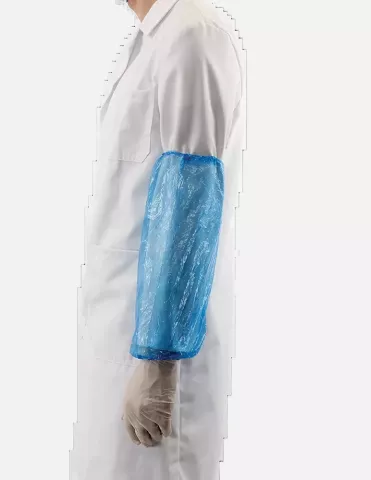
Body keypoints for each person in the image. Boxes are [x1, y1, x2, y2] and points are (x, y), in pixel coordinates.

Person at [70, 0, 246, 478]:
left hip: (157, 358)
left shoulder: (193, 33)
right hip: (116, 336)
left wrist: (160, 361)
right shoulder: (150, 38)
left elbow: (191, 200)